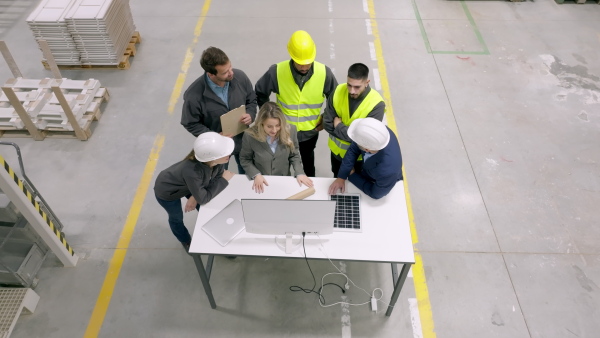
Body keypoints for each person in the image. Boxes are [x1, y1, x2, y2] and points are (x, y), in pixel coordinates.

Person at [254, 30, 338, 177]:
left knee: (307, 165)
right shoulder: (277, 72)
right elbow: (260, 92)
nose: (304, 67)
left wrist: (326, 118)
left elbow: (336, 99)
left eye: (307, 63)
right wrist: (268, 118)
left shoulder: (324, 73)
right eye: (300, 63)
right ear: (291, 56)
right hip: (283, 131)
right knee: (280, 165)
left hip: (309, 133)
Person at [181, 46, 257, 174]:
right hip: (217, 147)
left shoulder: (240, 77)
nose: (231, 73)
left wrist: (250, 114)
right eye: (225, 72)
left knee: (248, 175)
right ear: (210, 74)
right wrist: (214, 137)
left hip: (242, 140)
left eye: (230, 67)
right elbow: (190, 123)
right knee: (218, 179)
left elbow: (251, 100)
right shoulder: (194, 95)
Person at [154, 132, 235, 252]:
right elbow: (204, 196)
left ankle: (216, 235)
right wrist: (223, 181)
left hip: (188, 184)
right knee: (176, 218)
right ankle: (185, 240)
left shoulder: (215, 162)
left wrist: (194, 196)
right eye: (224, 153)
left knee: (206, 208)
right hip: (167, 192)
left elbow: (210, 182)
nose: (229, 155)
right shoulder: (192, 171)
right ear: (211, 157)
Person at [323, 63, 385, 178]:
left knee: (356, 185)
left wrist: (339, 127)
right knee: (337, 180)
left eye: (357, 87)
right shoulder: (337, 91)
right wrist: (353, 134)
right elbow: (326, 123)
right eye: (349, 85)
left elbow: (366, 140)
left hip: (358, 158)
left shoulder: (376, 104)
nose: (352, 91)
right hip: (336, 154)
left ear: (367, 82)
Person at [240, 102, 313, 194]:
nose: (274, 130)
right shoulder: (250, 135)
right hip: (261, 182)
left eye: (278, 125)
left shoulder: (291, 130)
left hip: (283, 181)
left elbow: (294, 155)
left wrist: (300, 172)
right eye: (269, 126)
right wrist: (256, 175)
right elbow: (245, 159)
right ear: (261, 123)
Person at [328, 118, 403, 199]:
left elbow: (375, 193)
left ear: (367, 149)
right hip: (371, 170)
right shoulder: (379, 133)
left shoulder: (387, 171)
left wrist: (352, 175)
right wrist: (341, 177)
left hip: (382, 181)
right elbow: (353, 149)